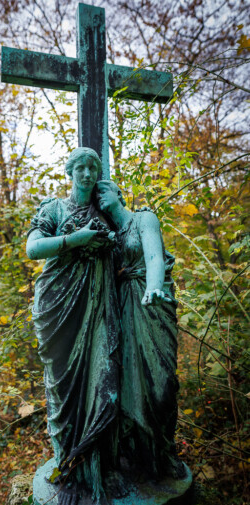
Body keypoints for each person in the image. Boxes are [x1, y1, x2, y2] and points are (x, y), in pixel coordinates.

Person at [26, 148, 123, 505]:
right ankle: (68, 471)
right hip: (58, 308)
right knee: (64, 391)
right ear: (70, 172)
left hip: (99, 311)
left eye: (93, 167)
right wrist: (75, 239)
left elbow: (126, 251)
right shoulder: (55, 209)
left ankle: (101, 471)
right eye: (80, 167)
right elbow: (33, 248)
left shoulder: (106, 212)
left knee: (104, 385)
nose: (86, 173)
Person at [96, 180, 185, 481]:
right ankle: (138, 456)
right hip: (122, 309)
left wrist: (154, 287)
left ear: (118, 193)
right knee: (127, 385)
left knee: (160, 384)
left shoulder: (143, 218)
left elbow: (154, 257)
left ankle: (164, 451)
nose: (98, 197)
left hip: (151, 305)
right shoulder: (107, 236)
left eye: (102, 190)